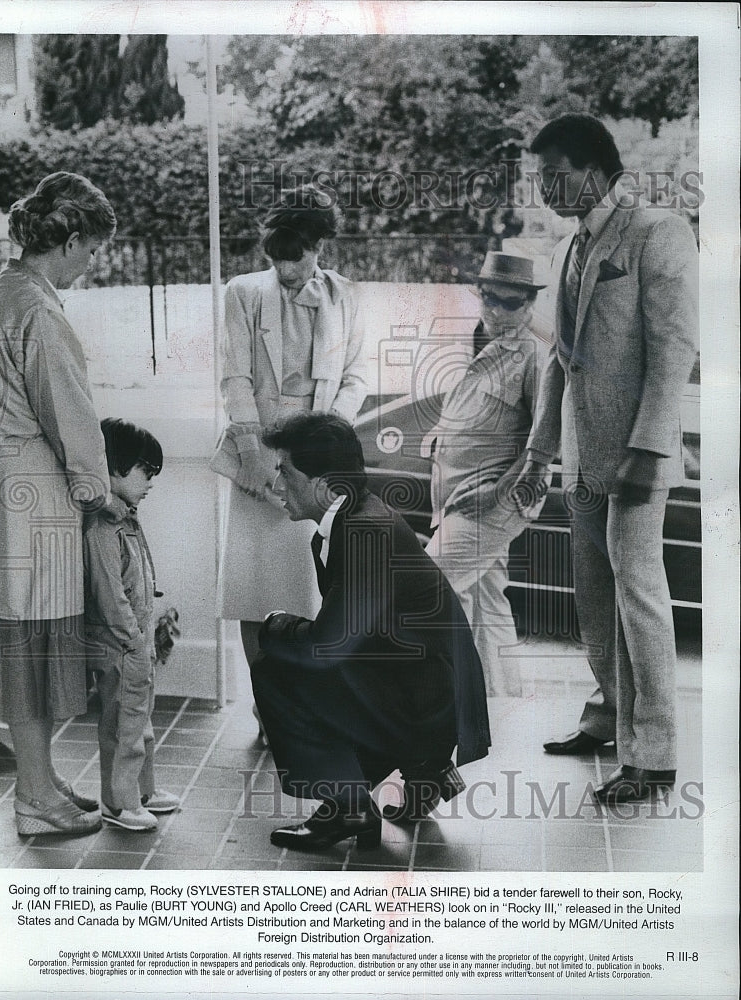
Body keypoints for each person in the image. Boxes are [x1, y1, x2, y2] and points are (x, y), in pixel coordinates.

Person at [514, 114, 698, 803]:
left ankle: (653, 755)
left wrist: (648, 448)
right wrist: (539, 452)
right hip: (580, 455)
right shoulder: (570, 249)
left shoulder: (657, 230)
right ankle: (609, 717)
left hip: (635, 456)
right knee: (594, 595)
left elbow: (674, 350)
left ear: (592, 169)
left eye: (552, 175)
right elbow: (560, 361)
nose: (544, 189)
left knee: (639, 593)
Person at [250, 412, 490, 852]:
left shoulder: (362, 531)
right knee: (314, 667)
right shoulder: (351, 519)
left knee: (276, 666)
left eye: (285, 472)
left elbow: (327, 650)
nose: (276, 486)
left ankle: (352, 807)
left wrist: (275, 626)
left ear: (324, 486)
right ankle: (424, 770)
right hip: (425, 687)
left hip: (431, 701)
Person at [0, 172, 116, 836]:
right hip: (34, 494)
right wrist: (100, 494)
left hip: (10, 488)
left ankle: (42, 778)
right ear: (65, 240)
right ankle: (33, 797)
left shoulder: (4, 291)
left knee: (22, 639)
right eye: (89, 251)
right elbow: (71, 413)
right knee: (30, 647)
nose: (90, 266)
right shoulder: (36, 309)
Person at [216, 184, 367, 735]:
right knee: (254, 588)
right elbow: (234, 375)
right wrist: (256, 456)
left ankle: (307, 705)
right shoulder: (243, 292)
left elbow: (356, 376)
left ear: (319, 245)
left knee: (312, 588)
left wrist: (328, 438)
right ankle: (268, 709)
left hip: (316, 458)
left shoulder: (347, 295)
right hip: (257, 454)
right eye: (276, 257)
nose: (285, 269)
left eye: (296, 256)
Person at [424, 251, 548, 697]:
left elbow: (546, 440)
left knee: (427, 585)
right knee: (487, 603)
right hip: (456, 495)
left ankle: (432, 707)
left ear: (530, 304)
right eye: (489, 298)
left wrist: (497, 492)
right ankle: (501, 711)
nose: (496, 310)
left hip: (490, 500)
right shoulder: (482, 341)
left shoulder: (534, 356)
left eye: (510, 303)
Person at [83, 419, 180, 831]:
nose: (151, 481)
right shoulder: (103, 527)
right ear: (115, 466)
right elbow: (110, 596)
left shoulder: (127, 519)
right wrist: (135, 640)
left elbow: (138, 581)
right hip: (121, 645)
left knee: (141, 723)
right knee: (123, 726)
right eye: (145, 470)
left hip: (135, 641)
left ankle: (143, 791)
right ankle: (119, 802)